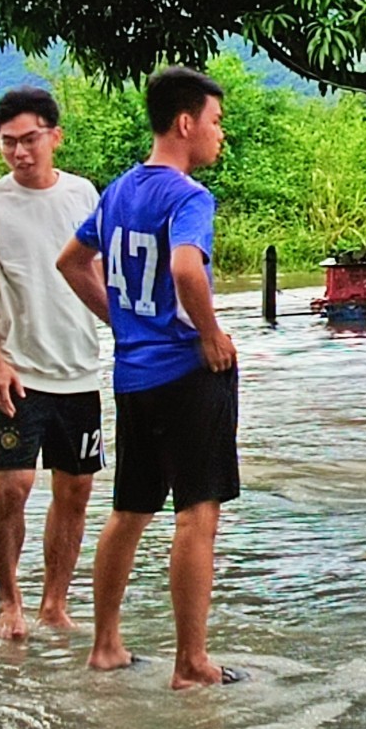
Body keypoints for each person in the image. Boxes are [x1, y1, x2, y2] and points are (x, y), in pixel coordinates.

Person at [57, 66, 241, 689]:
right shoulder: (189, 197)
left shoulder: (117, 193)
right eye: (215, 122)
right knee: (197, 513)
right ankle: (191, 662)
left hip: (134, 375)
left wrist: (122, 321)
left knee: (130, 509)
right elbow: (188, 269)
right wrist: (210, 334)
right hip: (187, 372)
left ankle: (105, 643)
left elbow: (71, 262)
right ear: (186, 124)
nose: (220, 133)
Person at [0, 84, 103, 640]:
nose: (20, 152)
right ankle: (9, 601)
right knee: (13, 486)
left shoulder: (85, 196)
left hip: (80, 369)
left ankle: (54, 604)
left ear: (55, 137)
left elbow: (101, 274)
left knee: (76, 490)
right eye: (8, 142)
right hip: (19, 371)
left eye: (30, 139)